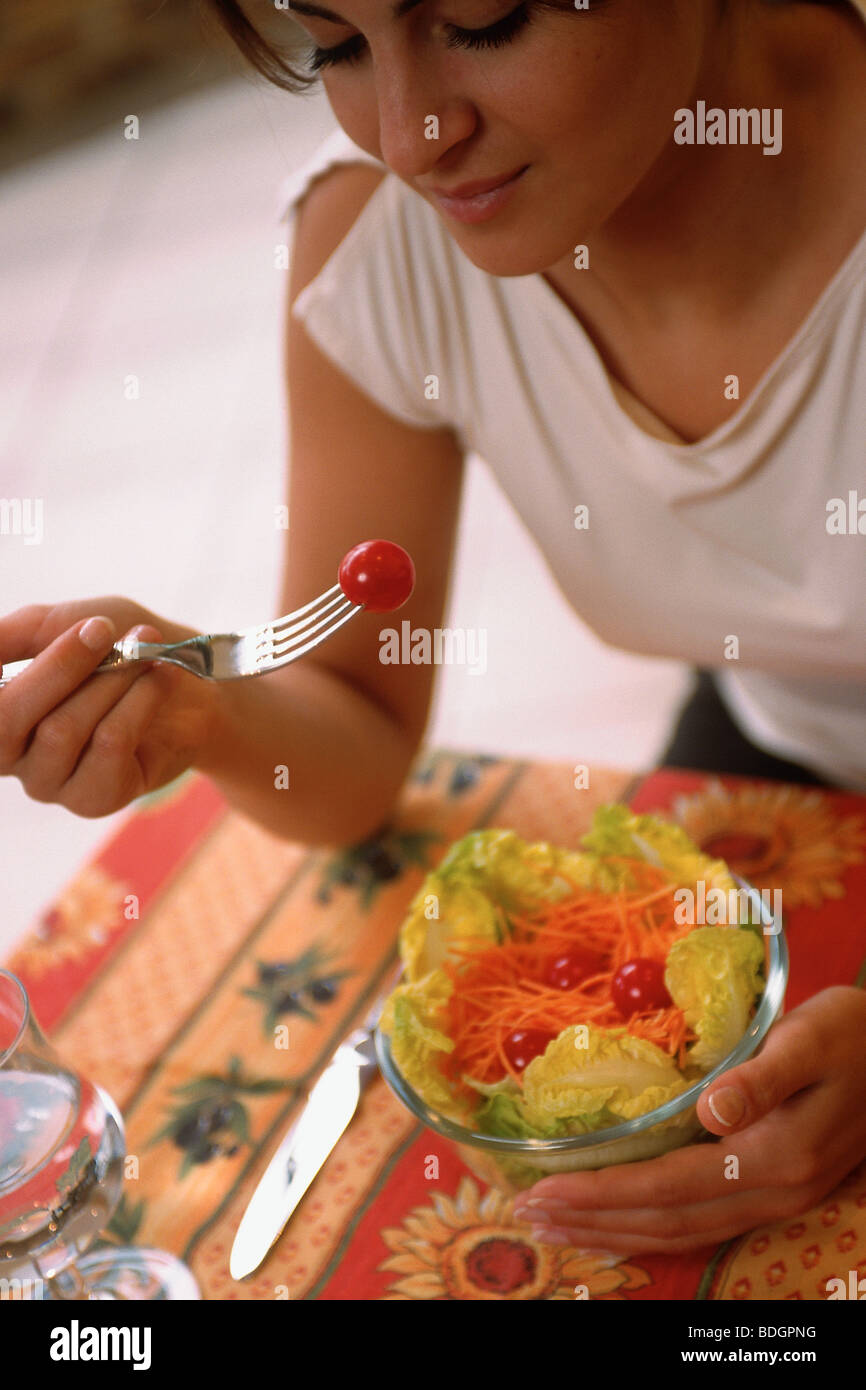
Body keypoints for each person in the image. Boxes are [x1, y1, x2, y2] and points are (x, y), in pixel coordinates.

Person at [1, 0, 865, 1255]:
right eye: (334, 44)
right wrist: (203, 707)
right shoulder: (377, 245)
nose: (412, 136)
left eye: (482, 18)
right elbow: (349, 737)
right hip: (776, 747)